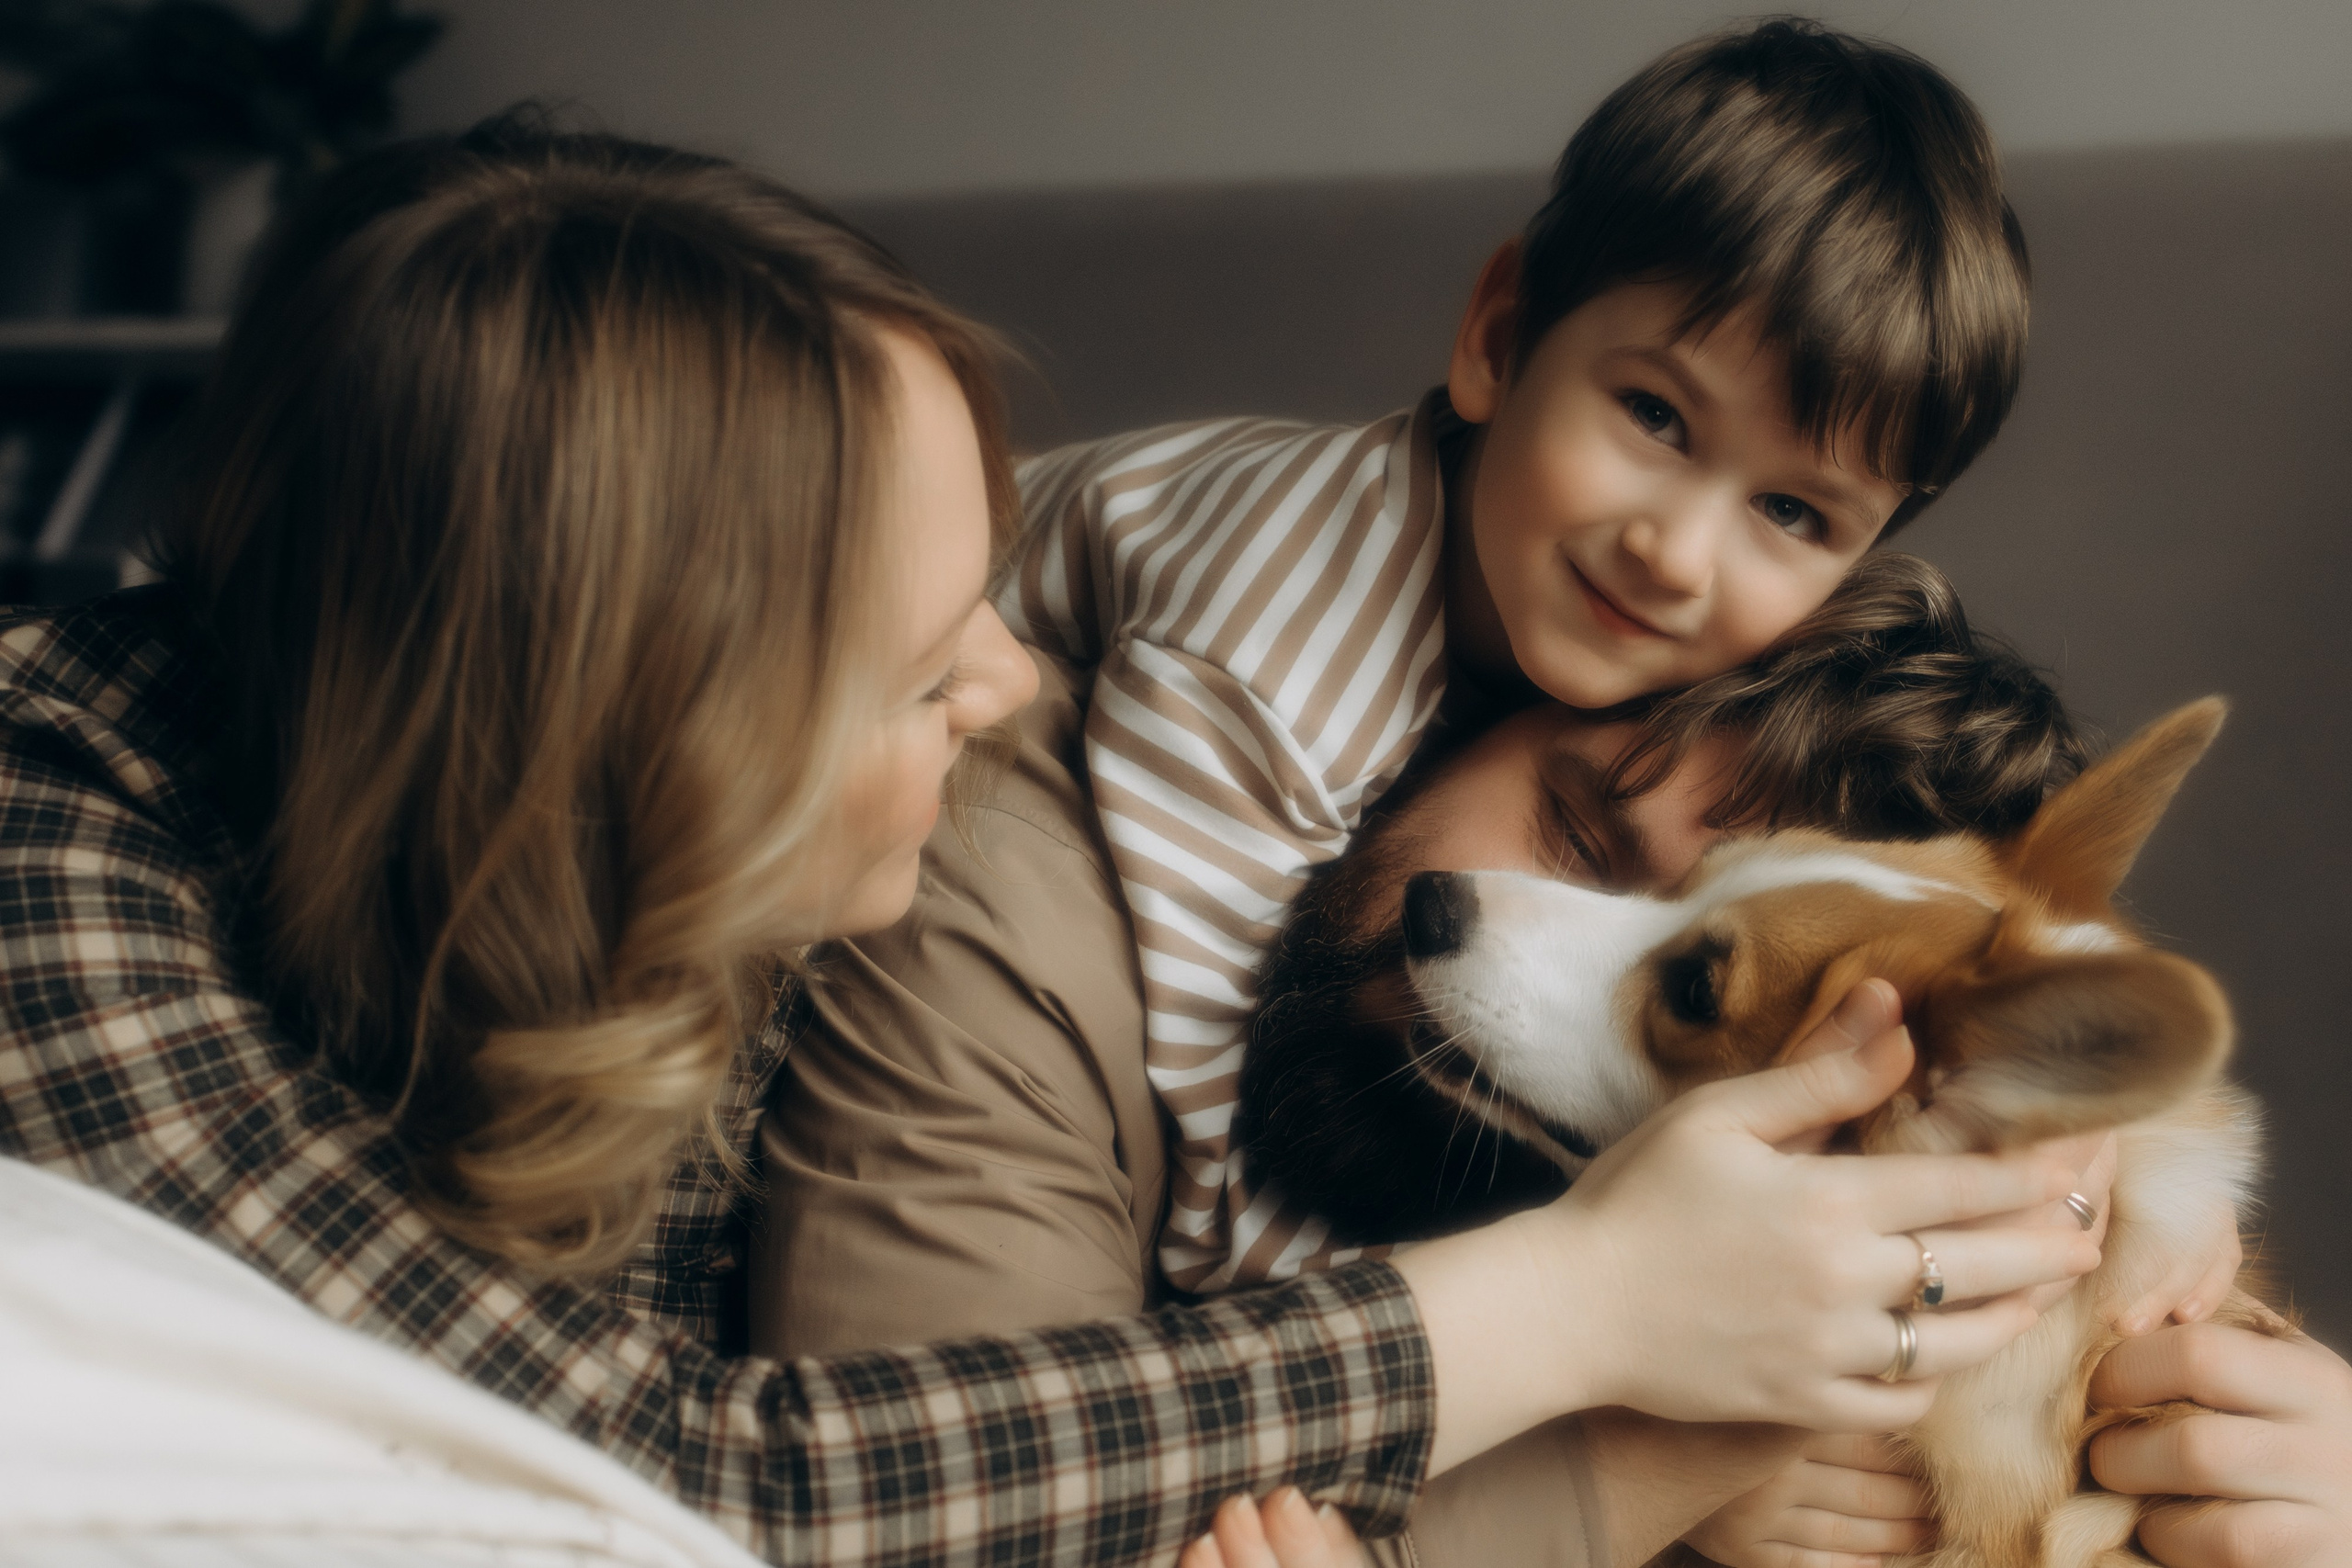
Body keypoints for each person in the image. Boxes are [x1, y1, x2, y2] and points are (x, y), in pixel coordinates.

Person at [0, 121, 2091, 1565]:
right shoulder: (57, 843)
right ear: (632, 751)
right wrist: (1586, 1326)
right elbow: (651, 1478)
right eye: (921, 672)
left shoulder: (1506, 683)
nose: (1019, 695)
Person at [761, 553, 2228, 1565]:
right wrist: (1639, 1447)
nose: (1502, 923)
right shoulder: (1006, 884)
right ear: (1487, 690)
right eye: (1581, 834)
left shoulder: (1739, 1230)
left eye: (1691, 969)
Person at [1001, 18, 2041, 1296]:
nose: (1676, 553)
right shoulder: (1268, 660)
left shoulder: (1675, 655)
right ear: (1496, 339)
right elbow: (1212, 1158)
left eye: (1792, 513)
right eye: (1654, 415)